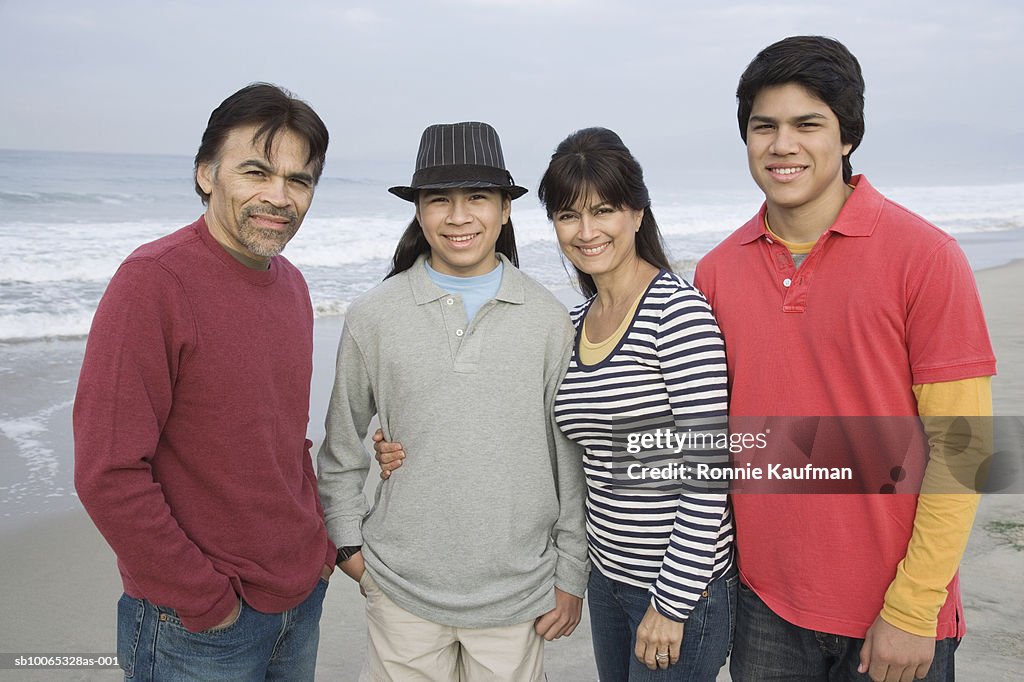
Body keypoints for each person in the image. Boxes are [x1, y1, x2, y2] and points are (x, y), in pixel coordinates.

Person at [377, 127, 737, 681]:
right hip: (609, 577)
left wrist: (672, 602)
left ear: (638, 215)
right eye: (569, 215)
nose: (586, 231)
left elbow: (708, 471)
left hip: (679, 590)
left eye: (604, 211)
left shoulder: (676, 315)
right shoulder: (572, 323)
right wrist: (401, 441)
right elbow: (523, 429)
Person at [693, 36, 996, 681]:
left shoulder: (927, 257)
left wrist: (914, 609)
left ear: (848, 135)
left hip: (896, 615)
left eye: (809, 124)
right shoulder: (716, 273)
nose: (783, 145)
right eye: (763, 126)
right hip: (763, 609)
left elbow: (964, 447)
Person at [73, 83, 335, 681]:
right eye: (256, 171)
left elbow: (282, 438)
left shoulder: (291, 284)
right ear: (205, 174)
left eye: (300, 180)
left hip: (298, 598)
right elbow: (107, 471)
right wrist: (203, 600)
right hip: (197, 624)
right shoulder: (152, 283)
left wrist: (316, 546)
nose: (279, 196)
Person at [316, 121, 589, 681]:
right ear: (419, 211)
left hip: (518, 592)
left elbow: (567, 458)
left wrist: (570, 573)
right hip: (400, 588)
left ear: (506, 211)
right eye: (439, 199)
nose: (458, 216)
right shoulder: (375, 314)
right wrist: (350, 548)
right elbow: (342, 443)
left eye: (478, 199)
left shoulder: (547, 320)